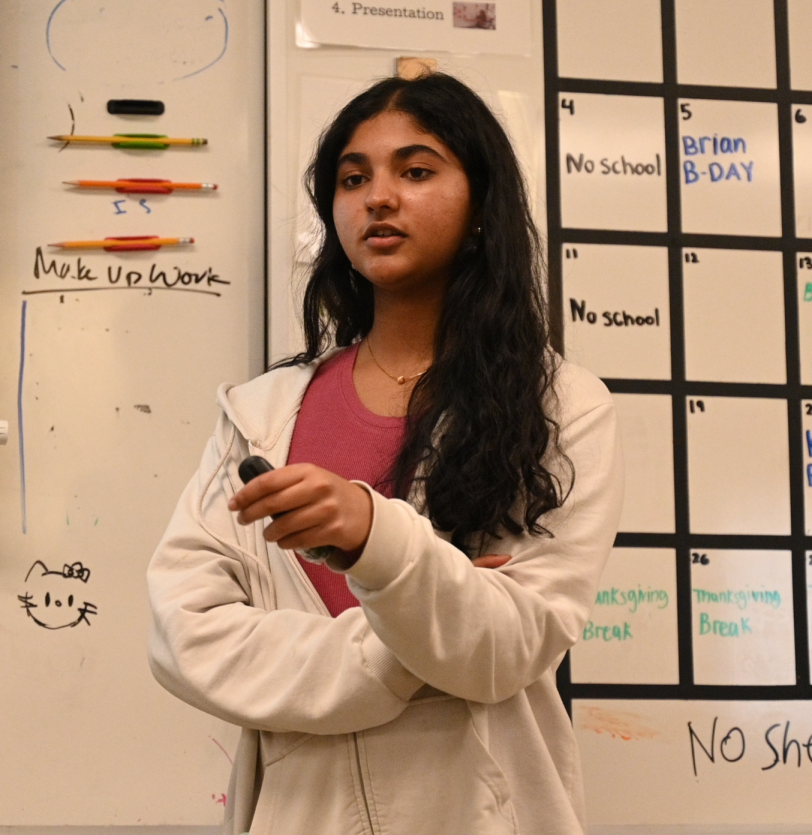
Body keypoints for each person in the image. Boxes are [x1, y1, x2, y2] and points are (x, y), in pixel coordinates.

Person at [147, 73, 623, 835]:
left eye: (417, 170)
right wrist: (409, 636)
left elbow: (505, 645)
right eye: (352, 177)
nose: (377, 196)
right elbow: (185, 637)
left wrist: (373, 534)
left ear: (480, 207)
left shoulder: (561, 405)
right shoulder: (259, 414)